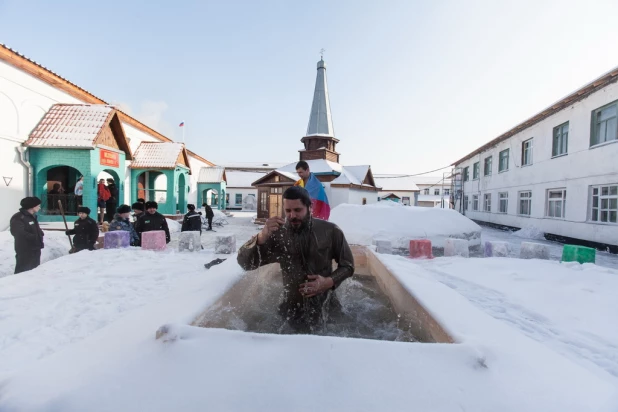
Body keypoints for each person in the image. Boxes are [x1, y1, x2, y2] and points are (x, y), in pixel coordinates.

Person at [237, 186, 354, 333]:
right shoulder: (279, 235)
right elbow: (245, 264)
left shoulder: (330, 231)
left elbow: (348, 266)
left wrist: (328, 282)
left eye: (298, 210)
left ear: (309, 207)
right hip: (292, 309)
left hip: (326, 306)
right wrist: (261, 237)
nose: (292, 215)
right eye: (288, 211)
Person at [10, 197, 44, 274]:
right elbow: (18, 232)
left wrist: (40, 233)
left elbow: (34, 229)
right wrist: (34, 237)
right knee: (23, 272)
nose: (39, 207)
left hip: (35, 248)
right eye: (38, 205)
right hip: (25, 249)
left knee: (33, 272)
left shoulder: (32, 216)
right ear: (32, 206)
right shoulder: (18, 217)